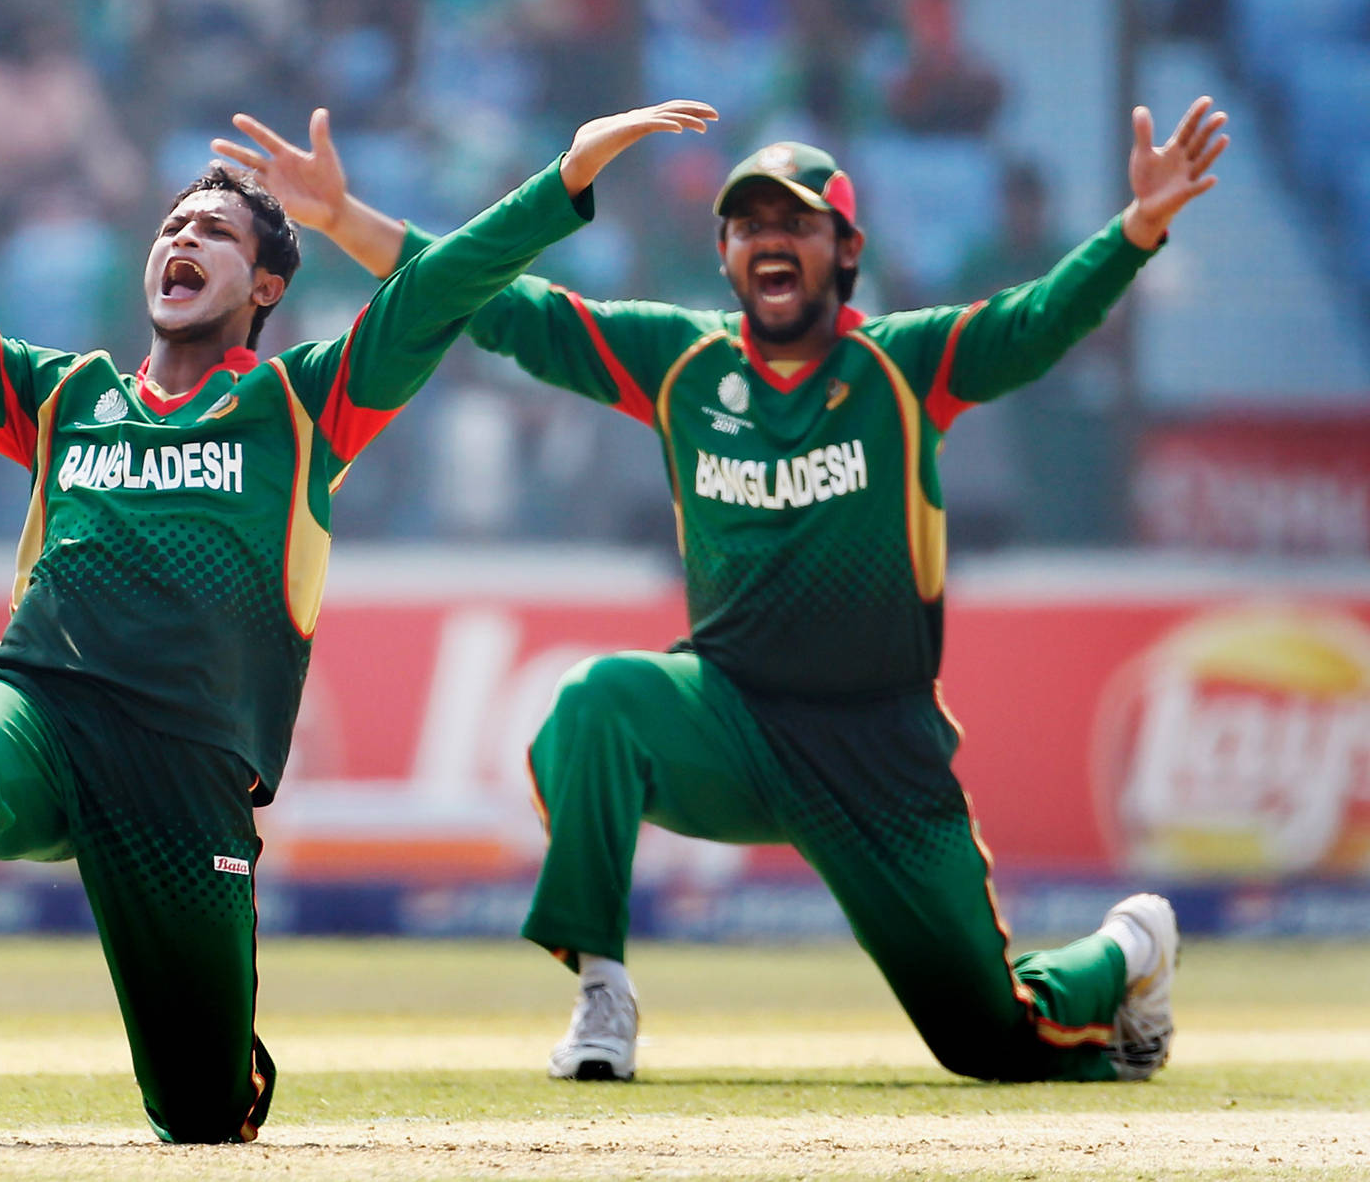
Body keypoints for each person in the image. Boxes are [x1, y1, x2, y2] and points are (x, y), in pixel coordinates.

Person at [0, 39, 713, 1142]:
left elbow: (434, 292)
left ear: (266, 285)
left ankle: (216, 1061)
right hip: (40, 713)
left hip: (190, 770)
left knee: (201, 1115)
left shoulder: (302, 404)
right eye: (172, 226)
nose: (182, 238)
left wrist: (564, 177)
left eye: (215, 232)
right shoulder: (65, 397)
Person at [214, 96, 1228, 1085]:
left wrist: (1136, 230)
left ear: (848, 252)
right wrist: (345, 220)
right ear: (725, 256)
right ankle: (602, 988)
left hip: (879, 753)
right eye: (748, 224)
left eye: (797, 222)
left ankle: (1130, 945)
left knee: (989, 1040)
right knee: (597, 704)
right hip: (732, 718)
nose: (769, 239)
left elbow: (1037, 322)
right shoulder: (682, 361)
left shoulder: (901, 367)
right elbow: (503, 309)